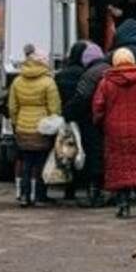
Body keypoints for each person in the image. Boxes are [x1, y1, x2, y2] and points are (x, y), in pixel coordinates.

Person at [92, 47, 136, 219]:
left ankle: (123, 206)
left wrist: (99, 123)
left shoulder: (106, 82)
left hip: (114, 131)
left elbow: (98, 107)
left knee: (119, 166)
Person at [8, 43, 61, 208]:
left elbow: (12, 107)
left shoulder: (17, 81)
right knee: (41, 163)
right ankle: (39, 195)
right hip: (41, 128)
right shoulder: (48, 82)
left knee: (26, 163)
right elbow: (55, 108)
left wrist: (16, 123)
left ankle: (24, 196)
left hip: (23, 127)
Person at [64, 42, 110, 208]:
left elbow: (81, 99)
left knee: (90, 154)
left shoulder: (89, 75)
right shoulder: (112, 71)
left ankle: (93, 192)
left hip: (91, 121)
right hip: (112, 122)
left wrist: (67, 115)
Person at [55, 41, 90, 202]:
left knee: (66, 151)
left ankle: (67, 189)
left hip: (65, 118)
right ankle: (81, 185)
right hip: (83, 118)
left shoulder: (61, 74)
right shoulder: (85, 74)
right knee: (81, 150)